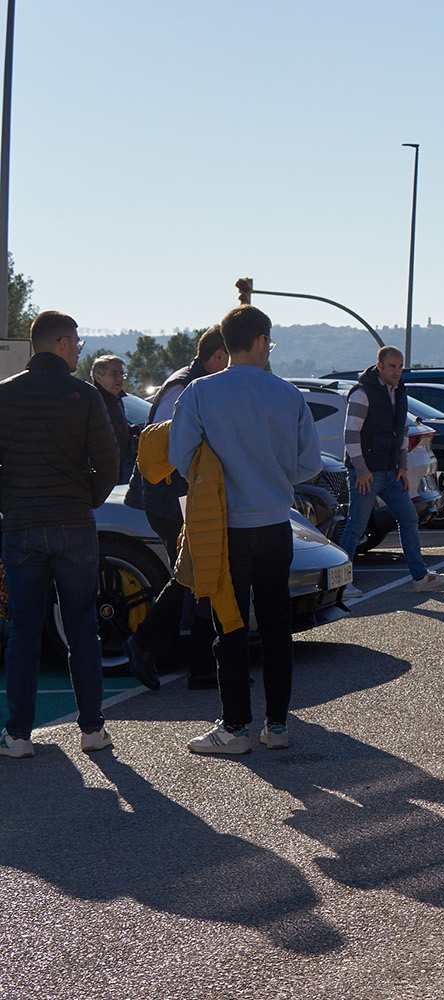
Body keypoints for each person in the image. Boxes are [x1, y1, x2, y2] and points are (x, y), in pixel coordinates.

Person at [170, 306, 324, 754]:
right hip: (276, 524)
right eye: (269, 343)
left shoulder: (200, 392)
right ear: (259, 340)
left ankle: (234, 726)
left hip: (225, 529)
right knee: (278, 626)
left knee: (230, 627)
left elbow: (182, 457)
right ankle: (277, 725)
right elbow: (310, 465)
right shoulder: (289, 394)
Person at [0, 312, 121, 759]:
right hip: (73, 524)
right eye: (77, 343)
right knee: (82, 628)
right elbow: (109, 461)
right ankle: (91, 730)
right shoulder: (85, 396)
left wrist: (9, 502)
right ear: (63, 343)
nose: (78, 350)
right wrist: (86, 498)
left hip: (21, 526)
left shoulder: (5, 395)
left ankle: (18, 735)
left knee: (25, 632)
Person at [124, 327, 228, 690]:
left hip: (185, 497)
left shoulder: (197, 384)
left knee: (199, 577)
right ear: (218, 357)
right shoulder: (184, 389)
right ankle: (146, 643)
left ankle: (200, 666)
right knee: (192, 576)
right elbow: (166, 448)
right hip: (173, 500)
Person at [335, 345, 444, 596]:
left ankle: (420, 577)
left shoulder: (399, 392)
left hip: (391, 473)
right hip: (366, 474)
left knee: (409, 518)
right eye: (392, 366)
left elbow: (402, 431)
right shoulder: (362, 393)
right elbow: (350, 434)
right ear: (379, 366)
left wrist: (402, 465)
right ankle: (341, 584)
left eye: (400, 367)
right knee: (356, 526)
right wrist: (361, 469)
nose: (397, 371)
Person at [89, 354, 136, 482]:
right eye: (114, 374)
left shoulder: (117, 399)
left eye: (121, 374)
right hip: (105, 474)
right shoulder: (94, 402)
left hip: (123, 469)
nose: (119, 378)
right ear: (98, 378)